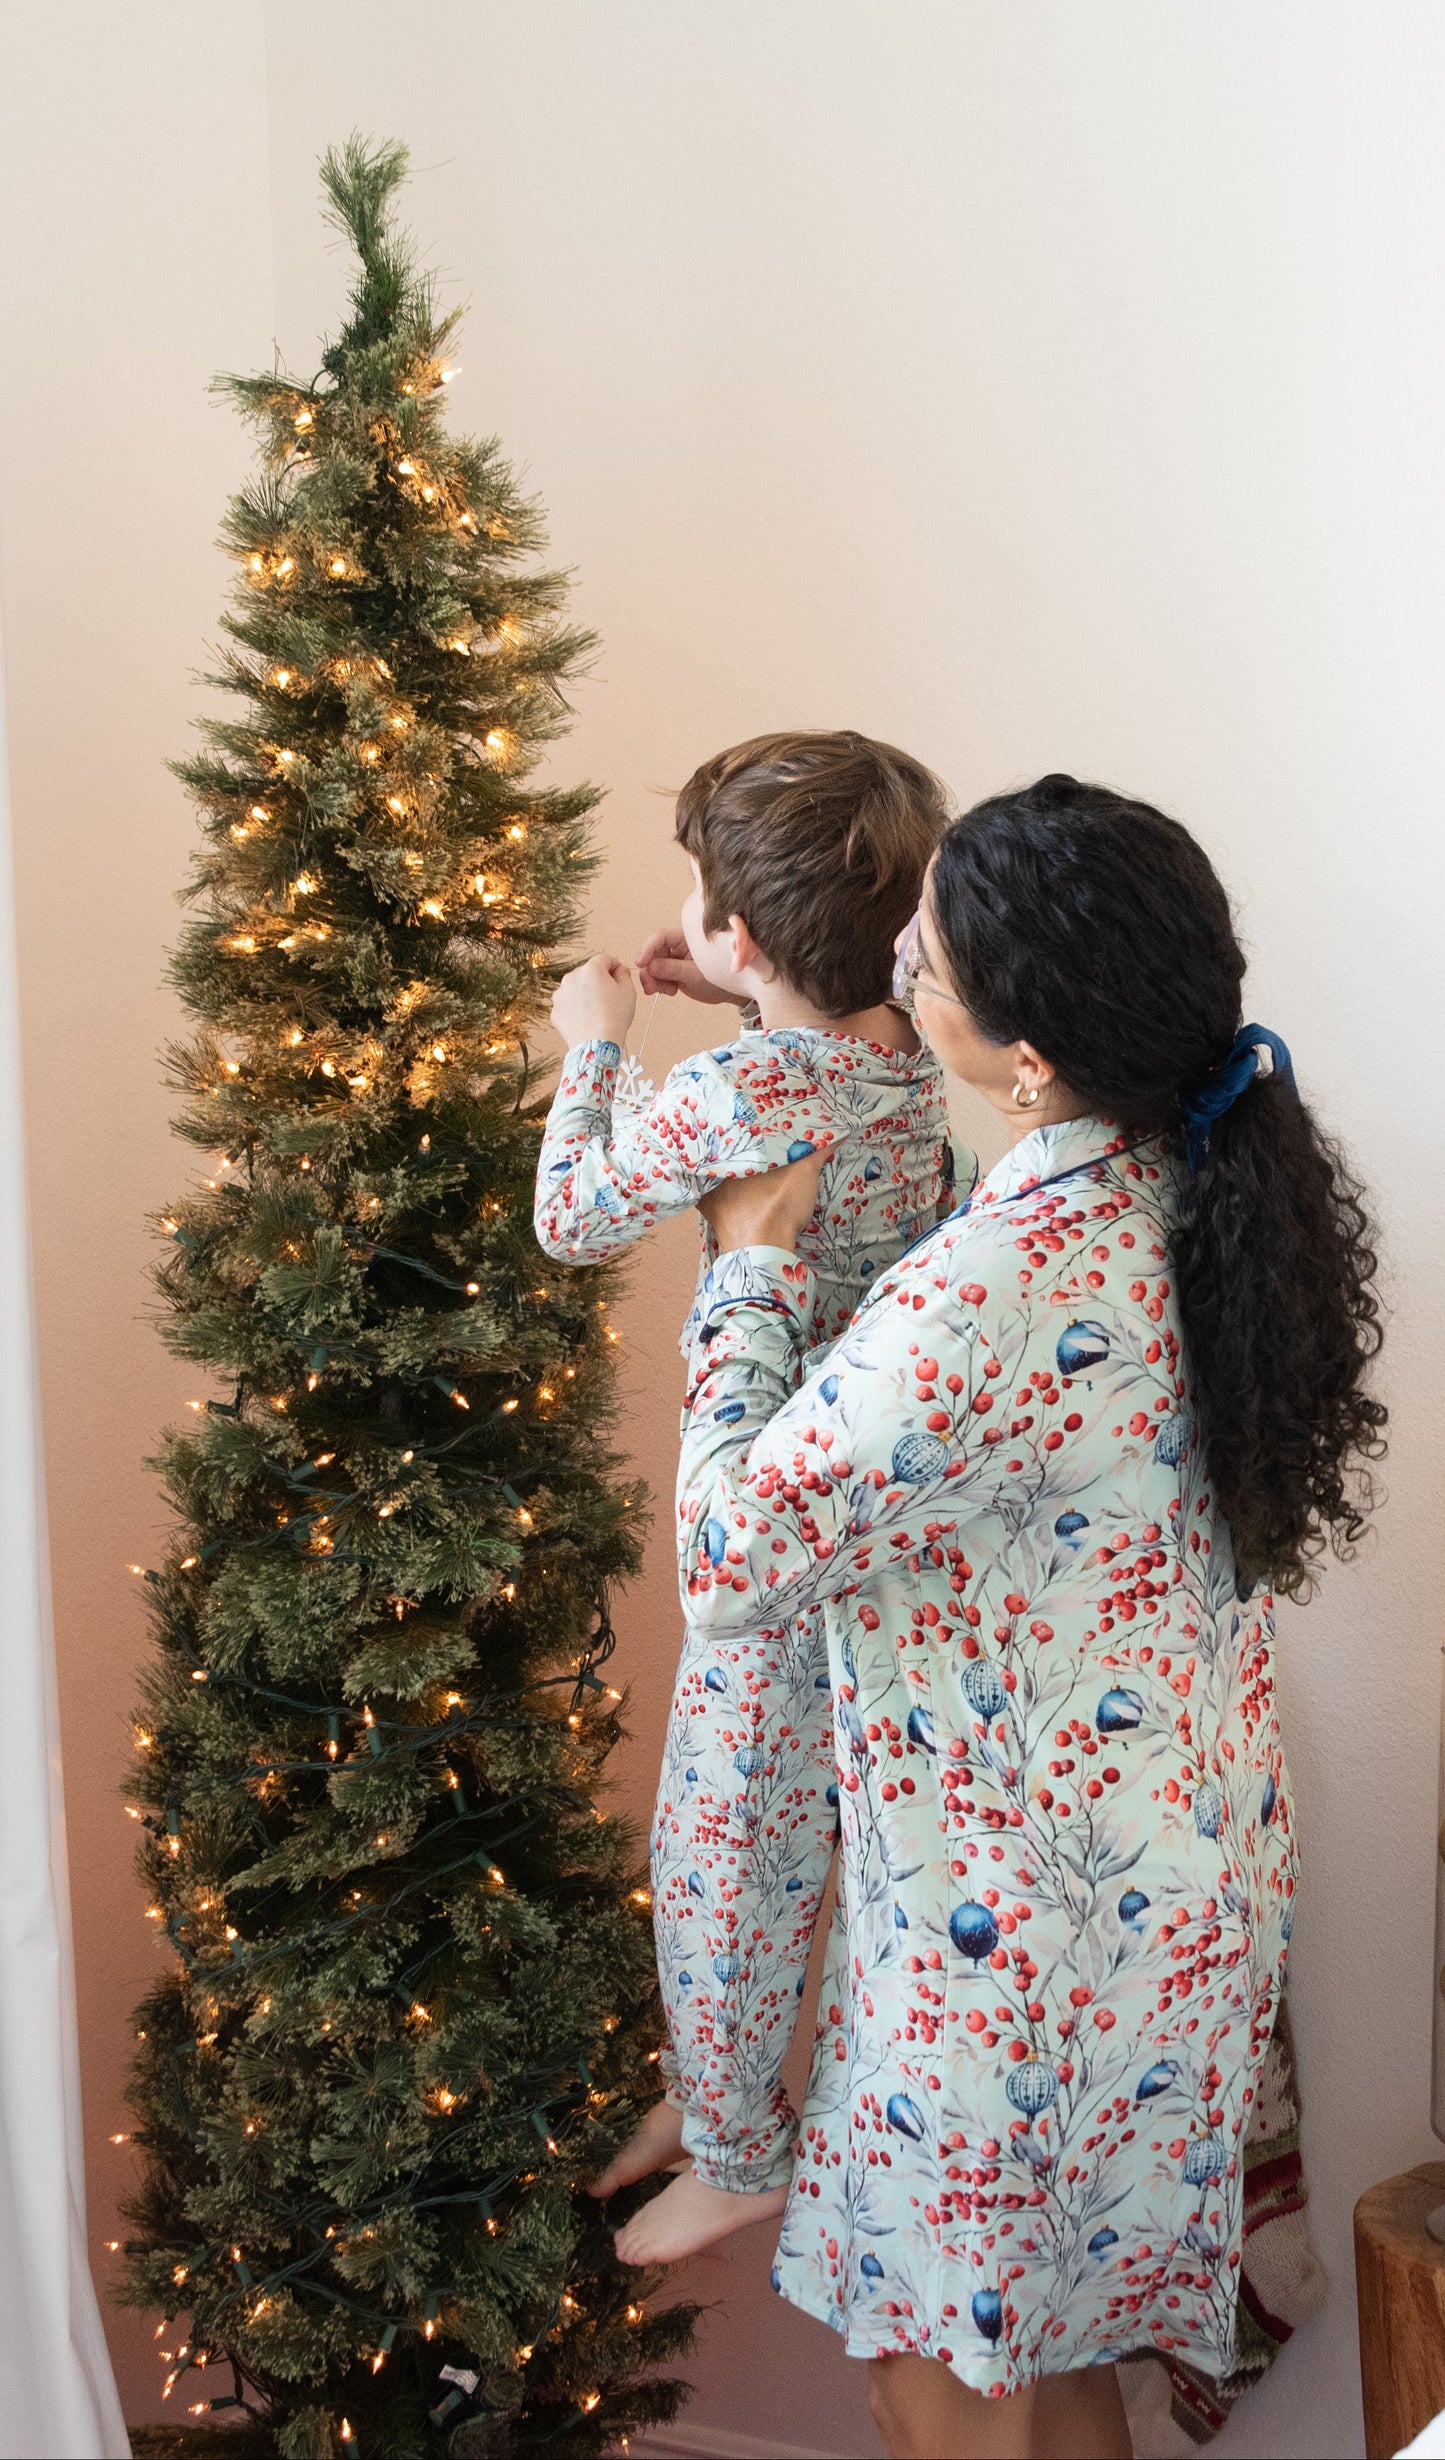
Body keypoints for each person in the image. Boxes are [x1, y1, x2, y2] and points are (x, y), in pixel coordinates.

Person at [600, 774, 1385, 2460]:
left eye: (928, 956)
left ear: (1030, 1051)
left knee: (930, 2360)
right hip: (1174, 1887)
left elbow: (734, 1559)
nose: (895, 961)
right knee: (1058, 2334)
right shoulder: (1188, 1180)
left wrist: (745, 1259)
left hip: (1012, 1930)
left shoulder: (1005, 1270)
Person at [534, 730, 967, 2253]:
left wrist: (593, 1039)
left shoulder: (732, 1088)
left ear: (737, 932)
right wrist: (739, 979)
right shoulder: (913, 1052)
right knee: (787, 1829)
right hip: (872, 1499)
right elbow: (815, 1041)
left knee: (725, 1831)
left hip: (768, 1501)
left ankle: (730, 2144)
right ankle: (704, 2082)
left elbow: (574, 1216)